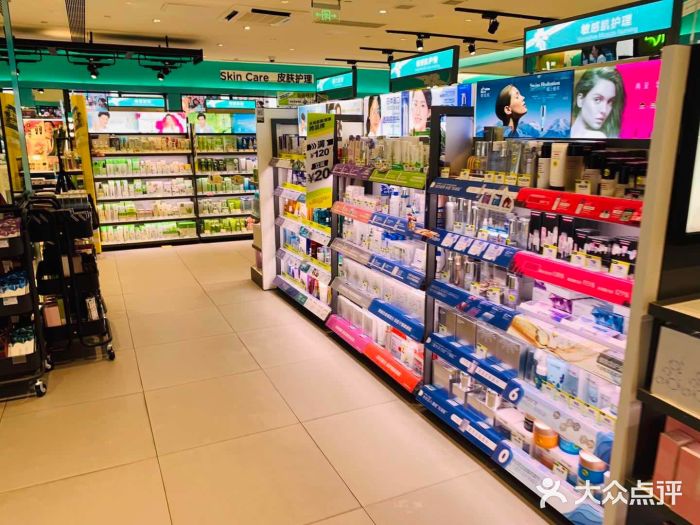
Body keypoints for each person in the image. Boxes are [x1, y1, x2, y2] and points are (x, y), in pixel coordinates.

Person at [571, 67, 625, 138]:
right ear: (580, 99)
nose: (604, 110)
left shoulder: (563, 134)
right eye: (597, 99)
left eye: (610, 102)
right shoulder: (598, 136)